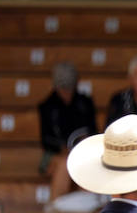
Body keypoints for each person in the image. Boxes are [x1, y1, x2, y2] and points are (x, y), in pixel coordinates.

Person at [38, 61, 98, 201]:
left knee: (85, 165)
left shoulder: (85, 103)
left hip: (82, 153)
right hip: (56, 154)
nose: (67, 93)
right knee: (66, 164)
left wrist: (82, 145)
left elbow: (93, 131)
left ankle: (88, 207)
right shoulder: (47, 106)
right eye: (63, 89)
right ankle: (55, 209)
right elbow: (46, 140)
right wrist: (64, 149)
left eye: (69, 89)